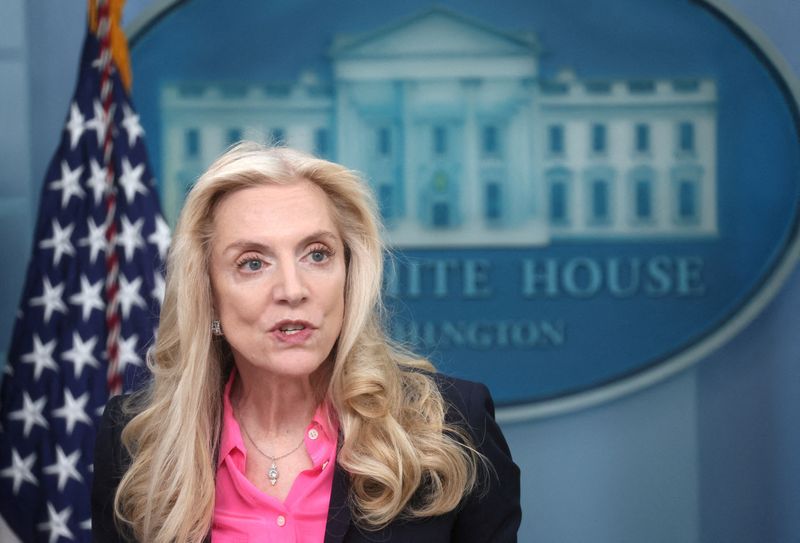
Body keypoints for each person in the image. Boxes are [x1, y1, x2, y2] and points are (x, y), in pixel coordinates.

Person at [91, 142, 521, 542]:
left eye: (317, 254)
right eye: (253, 263)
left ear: (350, 274)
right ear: (208, 294)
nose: (292, 289)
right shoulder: (135, 444)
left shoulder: (453, 426)